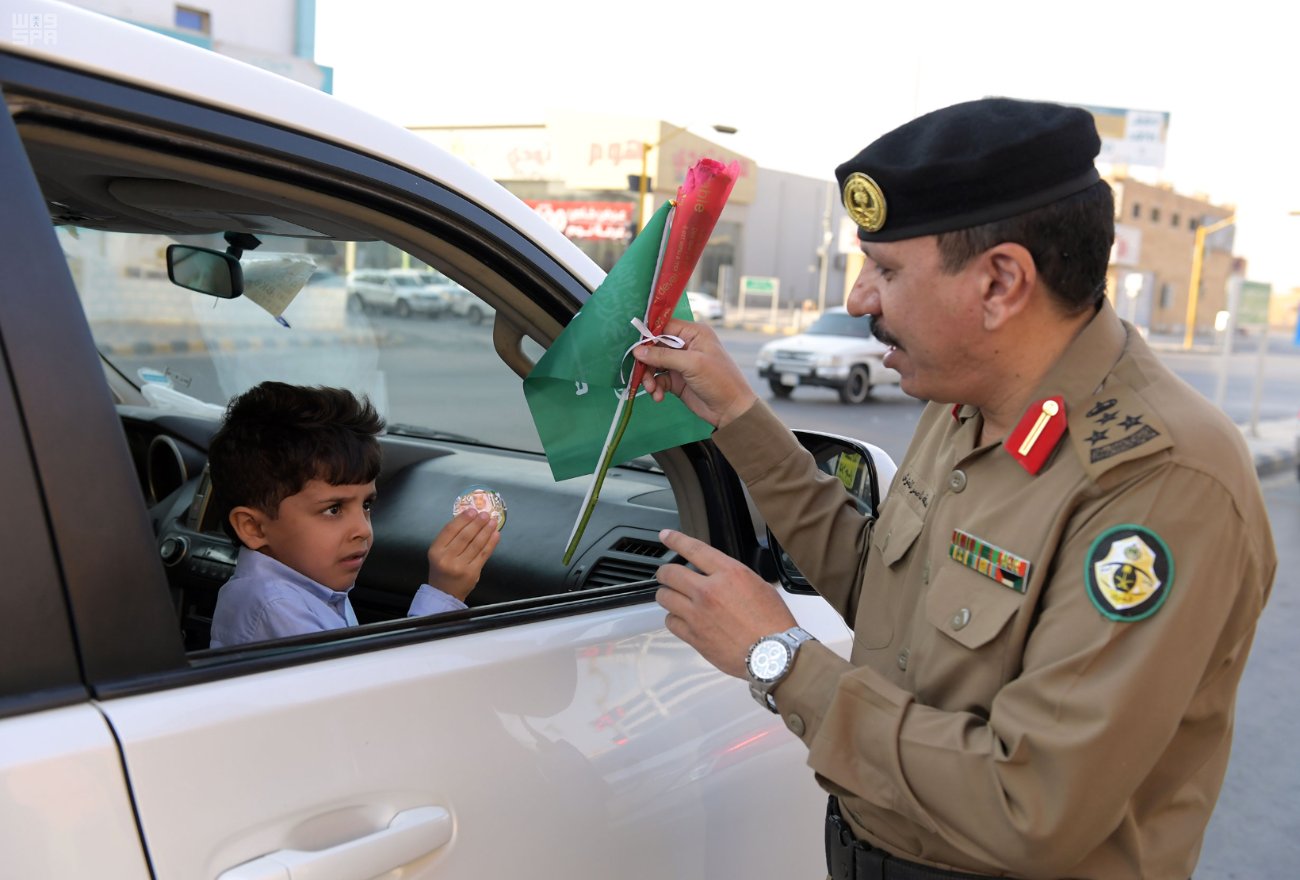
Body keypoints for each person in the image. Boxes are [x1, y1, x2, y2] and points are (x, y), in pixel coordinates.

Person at [631, 97, 1275, 879]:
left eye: (887, 269)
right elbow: (883, 594)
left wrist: (781, 658)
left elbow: (1030, 806)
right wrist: (735, 412)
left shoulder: (1160, 478)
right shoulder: (971, 399)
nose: (858, 299)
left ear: (1001, 283)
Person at [207, 381, 500, 648]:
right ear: (253, 528)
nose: (362, 529)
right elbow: (377, 699)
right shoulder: (275, 605)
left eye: (367, 505)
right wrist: (444, 594)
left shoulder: (308, 585)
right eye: (333, 509)